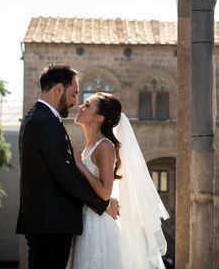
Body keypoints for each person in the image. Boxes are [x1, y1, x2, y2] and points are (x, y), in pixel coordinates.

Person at [16, 64, 119, 269]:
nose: (75, 102)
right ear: (58, 90)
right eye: (74, 95)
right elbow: (66, 176)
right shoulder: (44, 121)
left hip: (49, 222)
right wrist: (104, 206)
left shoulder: (40, 118)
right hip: (50, 223)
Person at [72, 92, 169, 269]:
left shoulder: (105, 146)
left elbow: (104, 192)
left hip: (98, 227)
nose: (80, 106)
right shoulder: (88, 147)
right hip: (87, 222)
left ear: (99, 118)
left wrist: (80, 165)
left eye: (87, 105)